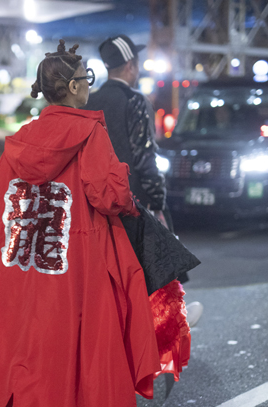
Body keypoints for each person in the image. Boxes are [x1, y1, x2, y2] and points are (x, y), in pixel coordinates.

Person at [0, 40, 165, 407]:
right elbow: (109, 194)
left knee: (35, 344)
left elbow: (0, 206)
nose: (89, 85)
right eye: (85, 79)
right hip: (78, 258)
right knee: (77, 345)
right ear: (71, 86)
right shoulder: (87, 132)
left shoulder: (21, 141)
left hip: (30, 260)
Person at [84, 34, 203, 327]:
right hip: (134, 200)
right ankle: (170, 325)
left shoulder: (91, 101)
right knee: (158, 263)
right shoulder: (134, 101)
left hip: (98, 203)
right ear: (131, 66)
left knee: (117, 277)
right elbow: (144, 157)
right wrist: (157, 198)